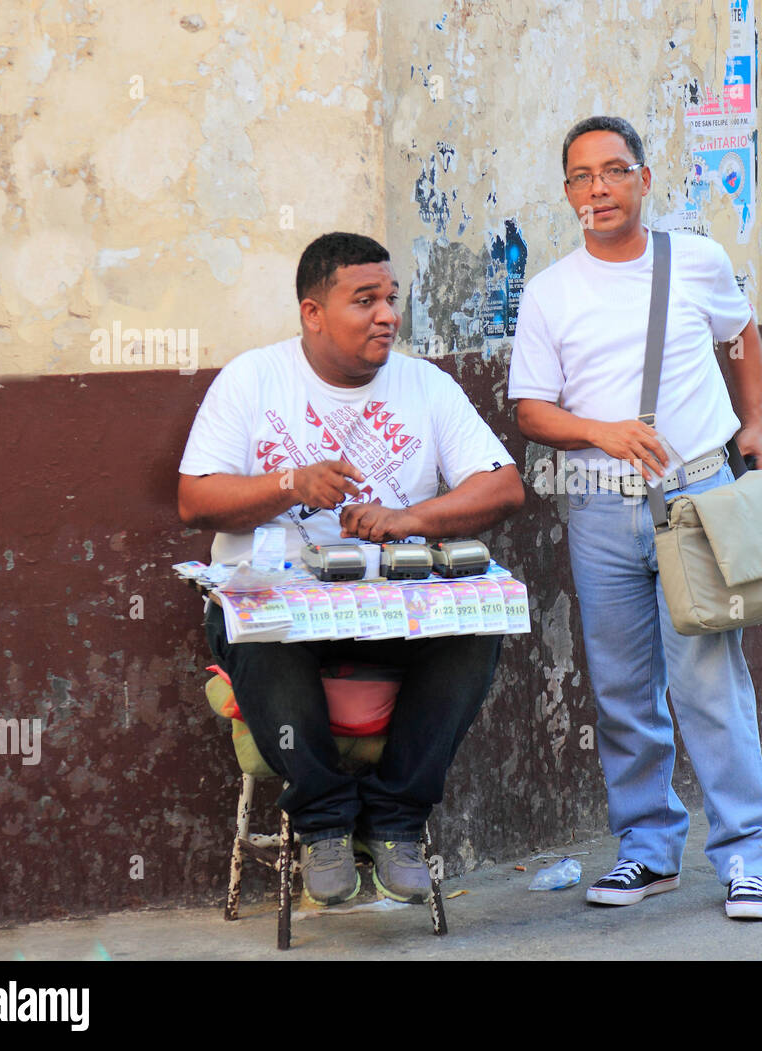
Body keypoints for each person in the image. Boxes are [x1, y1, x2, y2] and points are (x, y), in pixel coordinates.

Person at [178, 231, 524, 906]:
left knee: (477, 628)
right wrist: (289, 484)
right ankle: (325, 821)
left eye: (391, 298)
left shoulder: (425, 385)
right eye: (365, 300)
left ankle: (396, 818)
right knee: (264, 632)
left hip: (392, 616)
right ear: (312, 312)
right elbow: (195, 498)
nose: (387, 314)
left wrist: (410, 518)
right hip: (279, 615)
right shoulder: (253, 379)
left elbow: (504, 485)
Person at [508, 116, 762, 920]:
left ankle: (746, 857)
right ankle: (649, 849)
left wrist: (753, 424)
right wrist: (601, 431)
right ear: (568, 192)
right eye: (582, 176)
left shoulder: (692, 258)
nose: (599, 187)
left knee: (707, 683)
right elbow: (530, 410)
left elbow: (742, 334)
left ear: (643, 178)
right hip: (598, 506)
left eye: (614, 170)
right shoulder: (551, 290)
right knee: (624, 690)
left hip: (694, 497)